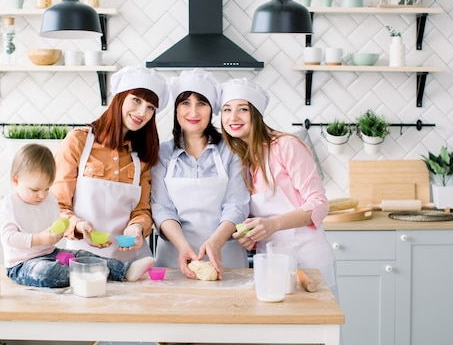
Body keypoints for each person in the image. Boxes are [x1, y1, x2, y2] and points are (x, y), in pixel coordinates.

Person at [219, 78, 336, 294]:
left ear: (256, 114)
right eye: (226, 110)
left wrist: (272, 224)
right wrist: (251, 239)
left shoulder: (286, 145)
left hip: (308, 260)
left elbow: (319, 204)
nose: (233, 117)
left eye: (242, 109)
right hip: (271, 264)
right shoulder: (240, 159)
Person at [51, 65, 169, 260]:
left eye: (150, 107)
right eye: (136, 100)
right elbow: (56, 206)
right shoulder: (78, 141)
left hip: (132, 262)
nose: (142, 112)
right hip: (83, 260)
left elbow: (143, 210)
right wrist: (79, 225)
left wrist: (137, 227)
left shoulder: (143, 155)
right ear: (119, 98)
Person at [0, 143, 155, 288]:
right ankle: (86, 274)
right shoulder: (9, 205)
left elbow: (58, 223)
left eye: (46, 189)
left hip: (51, 254)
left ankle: (124, 271)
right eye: (34, 190)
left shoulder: (49, 199)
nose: (41, 195)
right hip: (22, 264)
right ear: (15, 181)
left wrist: (70, 228)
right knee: (48, 272)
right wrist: (40, 239)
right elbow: (9, 237)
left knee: (85, 256)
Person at [151, 69, 250, 280]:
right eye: (185, 103)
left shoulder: (231, 150)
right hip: (175, 258)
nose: (193, 112)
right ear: (176, 109)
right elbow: (161, 208)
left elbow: (237, 205)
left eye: (201, 104)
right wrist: (183, 246)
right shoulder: (162, 153)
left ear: (211, 109)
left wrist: (215, 243)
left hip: (225, 257)